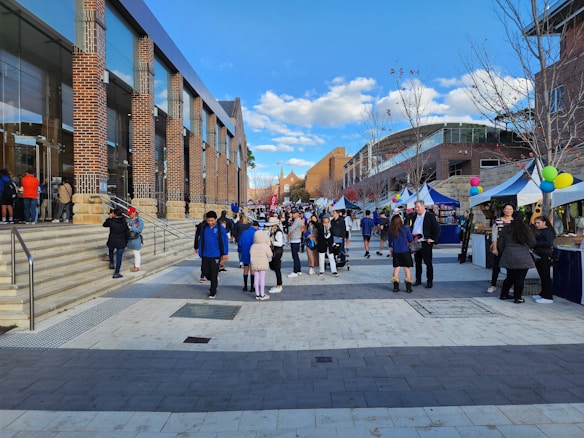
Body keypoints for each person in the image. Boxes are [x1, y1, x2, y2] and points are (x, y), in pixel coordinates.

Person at [497, 211, 536, 303]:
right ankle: (517, 297)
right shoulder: (526, 229)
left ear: (513, 217)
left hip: (509, 254)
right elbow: (532, 242)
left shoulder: (506, 228)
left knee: (510, 276)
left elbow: (500, 243)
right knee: (520, 278)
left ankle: (503, 294)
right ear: (523, 218)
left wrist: (504, 251)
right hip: (523, 256)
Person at [196, 210, 229, 299]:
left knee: (214, 273)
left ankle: (212, 291)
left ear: (215, 219)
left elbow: (225, 241)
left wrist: (225, 253)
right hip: (205, 253)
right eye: (208, 220)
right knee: (204, 271)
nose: (210, 222)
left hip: (216, 254)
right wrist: (199, 250)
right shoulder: (204, 227)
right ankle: (213, 280)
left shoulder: (220, 228)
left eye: (212, 221)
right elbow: (201, 239)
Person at [411, 200, 441, 288]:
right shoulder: (414, 217)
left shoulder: (429, 216)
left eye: (418, 207)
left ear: (423, 206)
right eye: (415, 207)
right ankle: (418, 279)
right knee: (417, 262)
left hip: (425, 242)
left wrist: (433, 239)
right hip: (416, 242)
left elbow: (437, 228)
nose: (416, 209)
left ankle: (429, 281)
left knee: (428, 262)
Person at [487, 203, 515, 293]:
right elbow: (494, 235)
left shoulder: (515, 222)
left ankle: (509, 285)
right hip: (500, 245)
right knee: (496, 266)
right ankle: (493, 285)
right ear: (503, 210)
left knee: (510, 267)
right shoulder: (498, 221)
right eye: (506, 209)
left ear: (513, 210)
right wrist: (494, 248)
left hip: (511, 246)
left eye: (510, 209)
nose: (508, 211)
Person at [387, 213, 415, 293]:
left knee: (396, 269)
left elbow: (390, 243)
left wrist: (391, 251)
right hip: (405, 251)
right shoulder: (406, 229)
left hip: (396, 251)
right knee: (407, 269)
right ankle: (408, 287)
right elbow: (410, 239)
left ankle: (396, 287)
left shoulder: (391, 231)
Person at [532, 215, 556, 304]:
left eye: (538, 223)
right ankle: (543, 293)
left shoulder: (548, 231)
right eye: (535, 223)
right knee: (542, 275)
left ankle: (548, 296)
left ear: (544, 222)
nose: (536, 225)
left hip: (544, 255)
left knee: (545, 275)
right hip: (539, 254)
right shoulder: (540, 231)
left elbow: (548, 243)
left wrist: (535, 243)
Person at [103, 208, 130, 279]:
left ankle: (111, 263)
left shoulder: (111, 221)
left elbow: (104, 225)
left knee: (111, 251)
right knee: (119, 257)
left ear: (114, 214)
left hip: (112, 240)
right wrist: (126, 241)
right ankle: (116, 272)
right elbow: (127, 233)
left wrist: (109, 218)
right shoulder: (124, 222)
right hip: (121, 241)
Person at [250, 229, 273, 300]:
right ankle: (262, 294)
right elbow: (270, 254)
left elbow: (250, 253)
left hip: (254, 264)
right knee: (262, 278)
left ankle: (257, 294)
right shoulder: (265, 246)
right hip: (263, 264)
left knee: (256, 278)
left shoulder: (253, 246)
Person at [238, 220, 259, 291]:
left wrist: (240, 250)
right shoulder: (256, 233)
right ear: (256, 226)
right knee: (252, 269)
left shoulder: (244, 232)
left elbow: (240, 242)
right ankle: (252, 287)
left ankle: (245, 286)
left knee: (245, 268)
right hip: (254, 252)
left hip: (245, 251)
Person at [267, 217, 284, 293]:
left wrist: (272, 241)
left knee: (277, 268)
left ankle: (279, 285)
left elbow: (280, 243)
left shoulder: (278, 232)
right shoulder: (274, 231)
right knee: (275, 267)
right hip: (275, 251)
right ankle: (278, 284)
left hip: (278, 251)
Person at [126, 206, 144, 272]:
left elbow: (139, 229)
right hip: (128, 238)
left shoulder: (139, 221)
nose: (129, 215)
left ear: (134, 212)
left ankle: (137, 266)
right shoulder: (128, 220)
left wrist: (131, 228)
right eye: (129, 214)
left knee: (136, 252)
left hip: (136, 238)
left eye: (130, 213)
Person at [287, 208, 303, 277]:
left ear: (297, 214)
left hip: (295, 239)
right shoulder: (296, 220)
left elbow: (290, 229)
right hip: (296, 239)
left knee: (295, 256)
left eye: (293, 213)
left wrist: (289, 226)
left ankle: (295, 271)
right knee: (296, 256)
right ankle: (298, 270)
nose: (292, 215)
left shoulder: (297, 221)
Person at [193, 213, 208, 283]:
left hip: (202, 244)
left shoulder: (200, 225)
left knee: (204, 261)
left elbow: (196, 237)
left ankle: (202, 276)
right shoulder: (208, 226)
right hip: (208, 245)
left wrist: (196, 247)